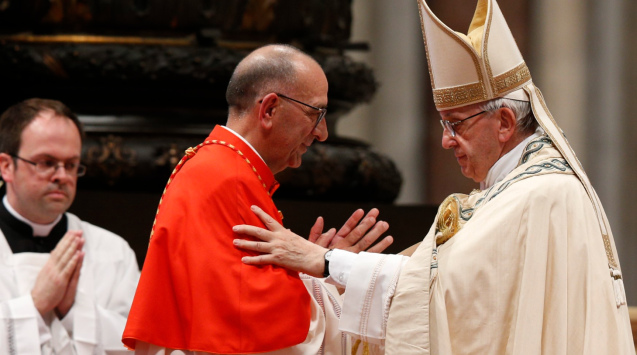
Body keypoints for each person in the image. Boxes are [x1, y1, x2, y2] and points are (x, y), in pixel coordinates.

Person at [232, 0, 636, 354]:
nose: (445, 140)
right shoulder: (520, 189)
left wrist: (324, 262)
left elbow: (443, 296)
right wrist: (329, 273)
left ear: (506, 122)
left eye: (456, 124)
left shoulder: (540, 193)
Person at [123, 44, 393, 355]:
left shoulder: (223, 168)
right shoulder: (228, 180)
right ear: (269, 110)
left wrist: (310, 265)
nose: (323, 133)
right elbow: (261, 334)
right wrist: (328, 272)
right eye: (315, 113)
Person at [0, 98, 140, 355]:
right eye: (45, 162)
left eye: (71, 165)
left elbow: (136, 344)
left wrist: (73, 310)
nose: (62, 176)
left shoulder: (112, 251)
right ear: (6, 166)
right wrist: (35, 306)